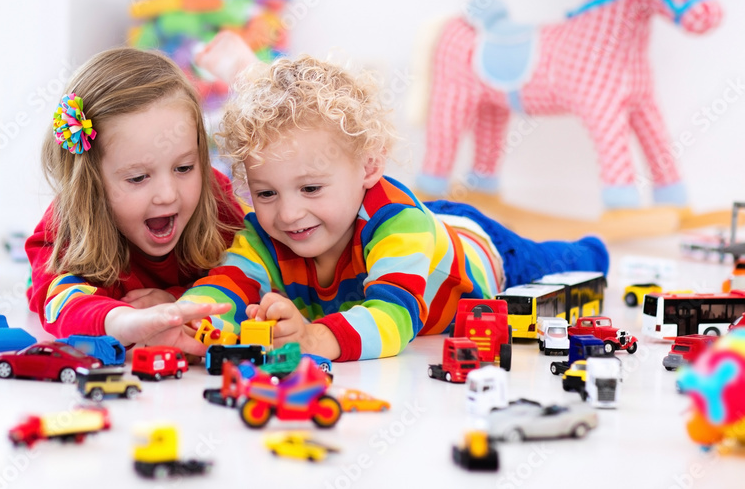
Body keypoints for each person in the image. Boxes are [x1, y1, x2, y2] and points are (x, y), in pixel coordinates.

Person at [177, 55, 609, 361]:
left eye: (310, 188)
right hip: (424, 222)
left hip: (484, 251)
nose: (287, 214)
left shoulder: (400, 226)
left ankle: (595, 249)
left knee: (564, 264)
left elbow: (393, 318)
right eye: (266, 194)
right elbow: (228, 284)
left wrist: (313, 337)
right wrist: (188, 319)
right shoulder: (265, 234)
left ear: (369, 166)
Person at [25, 48, 243, 352]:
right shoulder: (66, 224)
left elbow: (252, 276)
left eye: (184, 168)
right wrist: (122, 321)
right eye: (138, 177)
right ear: (91, 181)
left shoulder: (216, 199)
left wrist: (181, 299)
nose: (168, 195)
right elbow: (62, 303)